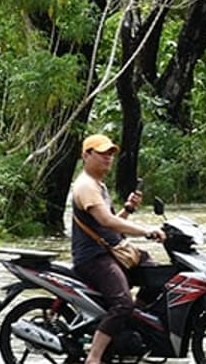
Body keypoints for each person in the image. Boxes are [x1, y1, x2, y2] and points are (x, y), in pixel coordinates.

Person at [70, 134, 166, 364]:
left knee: (157, 278)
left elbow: (109, 222)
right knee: (122, 303)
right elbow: (106, 222)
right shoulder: (85, 186)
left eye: (110, 154)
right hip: (94, 258)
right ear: (86, 155)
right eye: (102, 153)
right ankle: (94, 357)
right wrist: (145, 231)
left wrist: (128, 210)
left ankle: (129, 323)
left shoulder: (98, 186)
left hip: (110, 251)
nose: (107, 158)